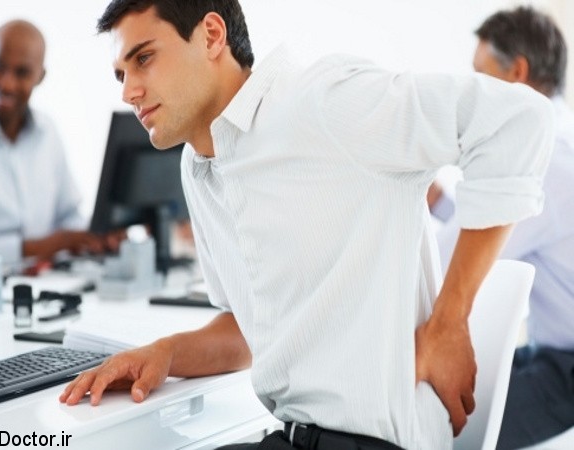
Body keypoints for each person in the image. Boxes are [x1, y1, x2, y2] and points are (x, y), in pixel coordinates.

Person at [59, 1, 555, 448]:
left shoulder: (324, 101)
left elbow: (520, 120)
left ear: (211, 35)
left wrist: (449, 323)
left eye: (144, 58)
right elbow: (250, 332)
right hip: (293, 436)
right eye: (120, 74)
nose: (129, 91)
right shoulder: (201, 167)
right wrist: (165, 353)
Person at [429, 6, 574, 449]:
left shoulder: (544, 160)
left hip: (566, 370)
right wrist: (438, 202)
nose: (473, 91)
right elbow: (496, 229)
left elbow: (446, 259)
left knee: (440, 422)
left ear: (517, 73)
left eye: (480, 75)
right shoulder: (560, 140)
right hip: (552, 352)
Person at [0, 20, 110, 273]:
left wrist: (93, 236)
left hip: (46, 280)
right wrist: (38, 247)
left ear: (40, 77)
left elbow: (69, 214)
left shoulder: (48, 132)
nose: (6, 84)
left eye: (22, 72)